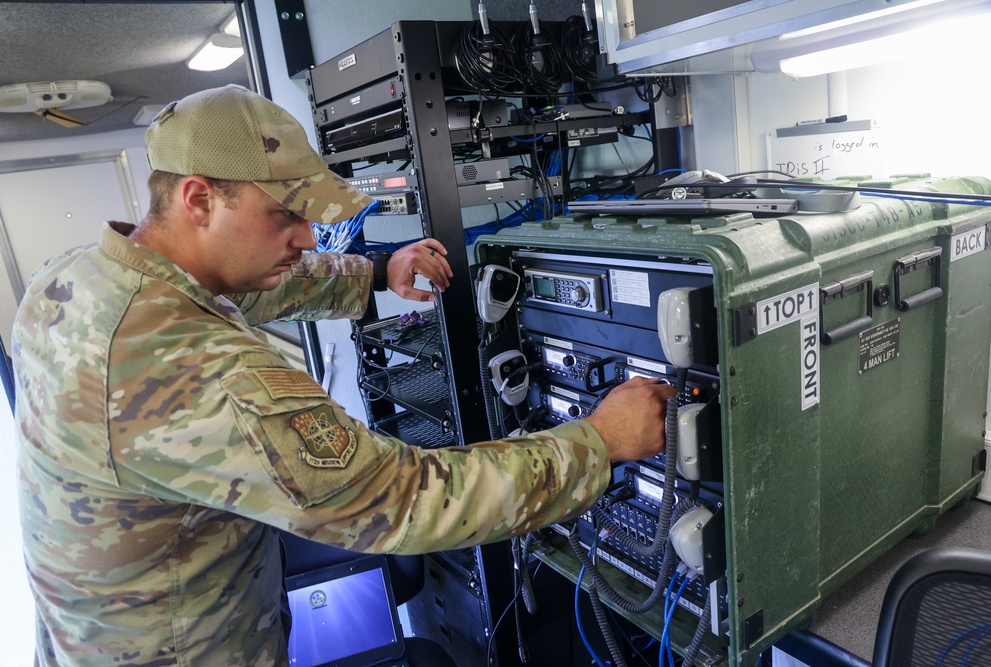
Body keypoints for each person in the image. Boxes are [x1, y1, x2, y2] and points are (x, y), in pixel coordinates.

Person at [13, 85, 675, 666]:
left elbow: (240, 289)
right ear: (199, 199)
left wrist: (375, 275)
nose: (306, 237)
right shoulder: (206, 375)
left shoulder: (78, 279)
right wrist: (600, 442)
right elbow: (405, 498)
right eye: (285, 215)